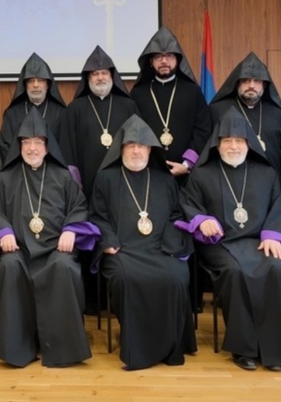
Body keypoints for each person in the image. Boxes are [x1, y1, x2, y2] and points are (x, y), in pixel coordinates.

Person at [179, 108, 281, 371]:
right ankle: (243, 349)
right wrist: (202, 219)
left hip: (259, 241)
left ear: (248, 143)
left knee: (276, 268)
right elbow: (187, 204)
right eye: (227, 141)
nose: (233, 146)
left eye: (238, 141)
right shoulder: (202, 174)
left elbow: (280, 207)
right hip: (220, 245)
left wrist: (273, 234)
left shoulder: (266, 173)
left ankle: (274, 349)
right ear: (218, 143)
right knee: (235, 273)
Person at [0, 109, 99, 368]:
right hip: (20, 250)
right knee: (8, 267)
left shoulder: (63, 176)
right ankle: (17, 346)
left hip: (56, 249)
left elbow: (79, 207)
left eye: (37, 142)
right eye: (26, 142)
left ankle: (60, 348)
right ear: (19, 145)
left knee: (64, 266)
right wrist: (4, 232)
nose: (32, 148)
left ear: (47, 146)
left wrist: (70, 229)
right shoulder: (5, 177)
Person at [90, 114, 195, 370]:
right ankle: (137, 347)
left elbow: (175, 215)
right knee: (126, 277)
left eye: (141, 146)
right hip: (123, 251)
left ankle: (171, 346)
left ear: (150, 150)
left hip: (159, 249)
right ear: (121, 149)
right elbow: (97, 216)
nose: (136, 151)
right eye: (130, 145)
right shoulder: (106, 178)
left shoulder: (164, 179)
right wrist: (108, 242)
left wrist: (170, 246)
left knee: (177, 274)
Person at [131, 28, 212, 182]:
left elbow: (203, 129)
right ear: (150, 61)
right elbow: (133, 134)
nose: (164, 61)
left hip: (187, 175)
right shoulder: (138, 94)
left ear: (177, 60)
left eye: (169, 56)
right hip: (149, 172)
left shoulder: (192, 91)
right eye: (158, 57)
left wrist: (187, 163)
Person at [59, 45, 139, 195]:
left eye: (104, 73)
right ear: (88, 78)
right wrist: (75, 182)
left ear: (111, 76)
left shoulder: (128, 106)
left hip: (123, 178)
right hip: (87, 180)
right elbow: (67, 146)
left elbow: (139, 142)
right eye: (95, 73)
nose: (100, 77)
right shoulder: (75, 108)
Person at [209, 52, 281, 188]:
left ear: (264, 85)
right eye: (246, 80)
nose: (251, 85)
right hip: (228, 183)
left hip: (269, 185)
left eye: (257, 81)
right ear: (236, 84)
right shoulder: (218, 110)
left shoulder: (277, 114)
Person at [0, 53, 66, 165]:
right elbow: (5, 147)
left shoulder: (61, 113)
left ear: (48, 85)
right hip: (20, 173)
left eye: (40, 80)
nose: (35, 85)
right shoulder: (12, 114)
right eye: (30, 81)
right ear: (24, 86)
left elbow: (65, 148)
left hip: (53, 175)